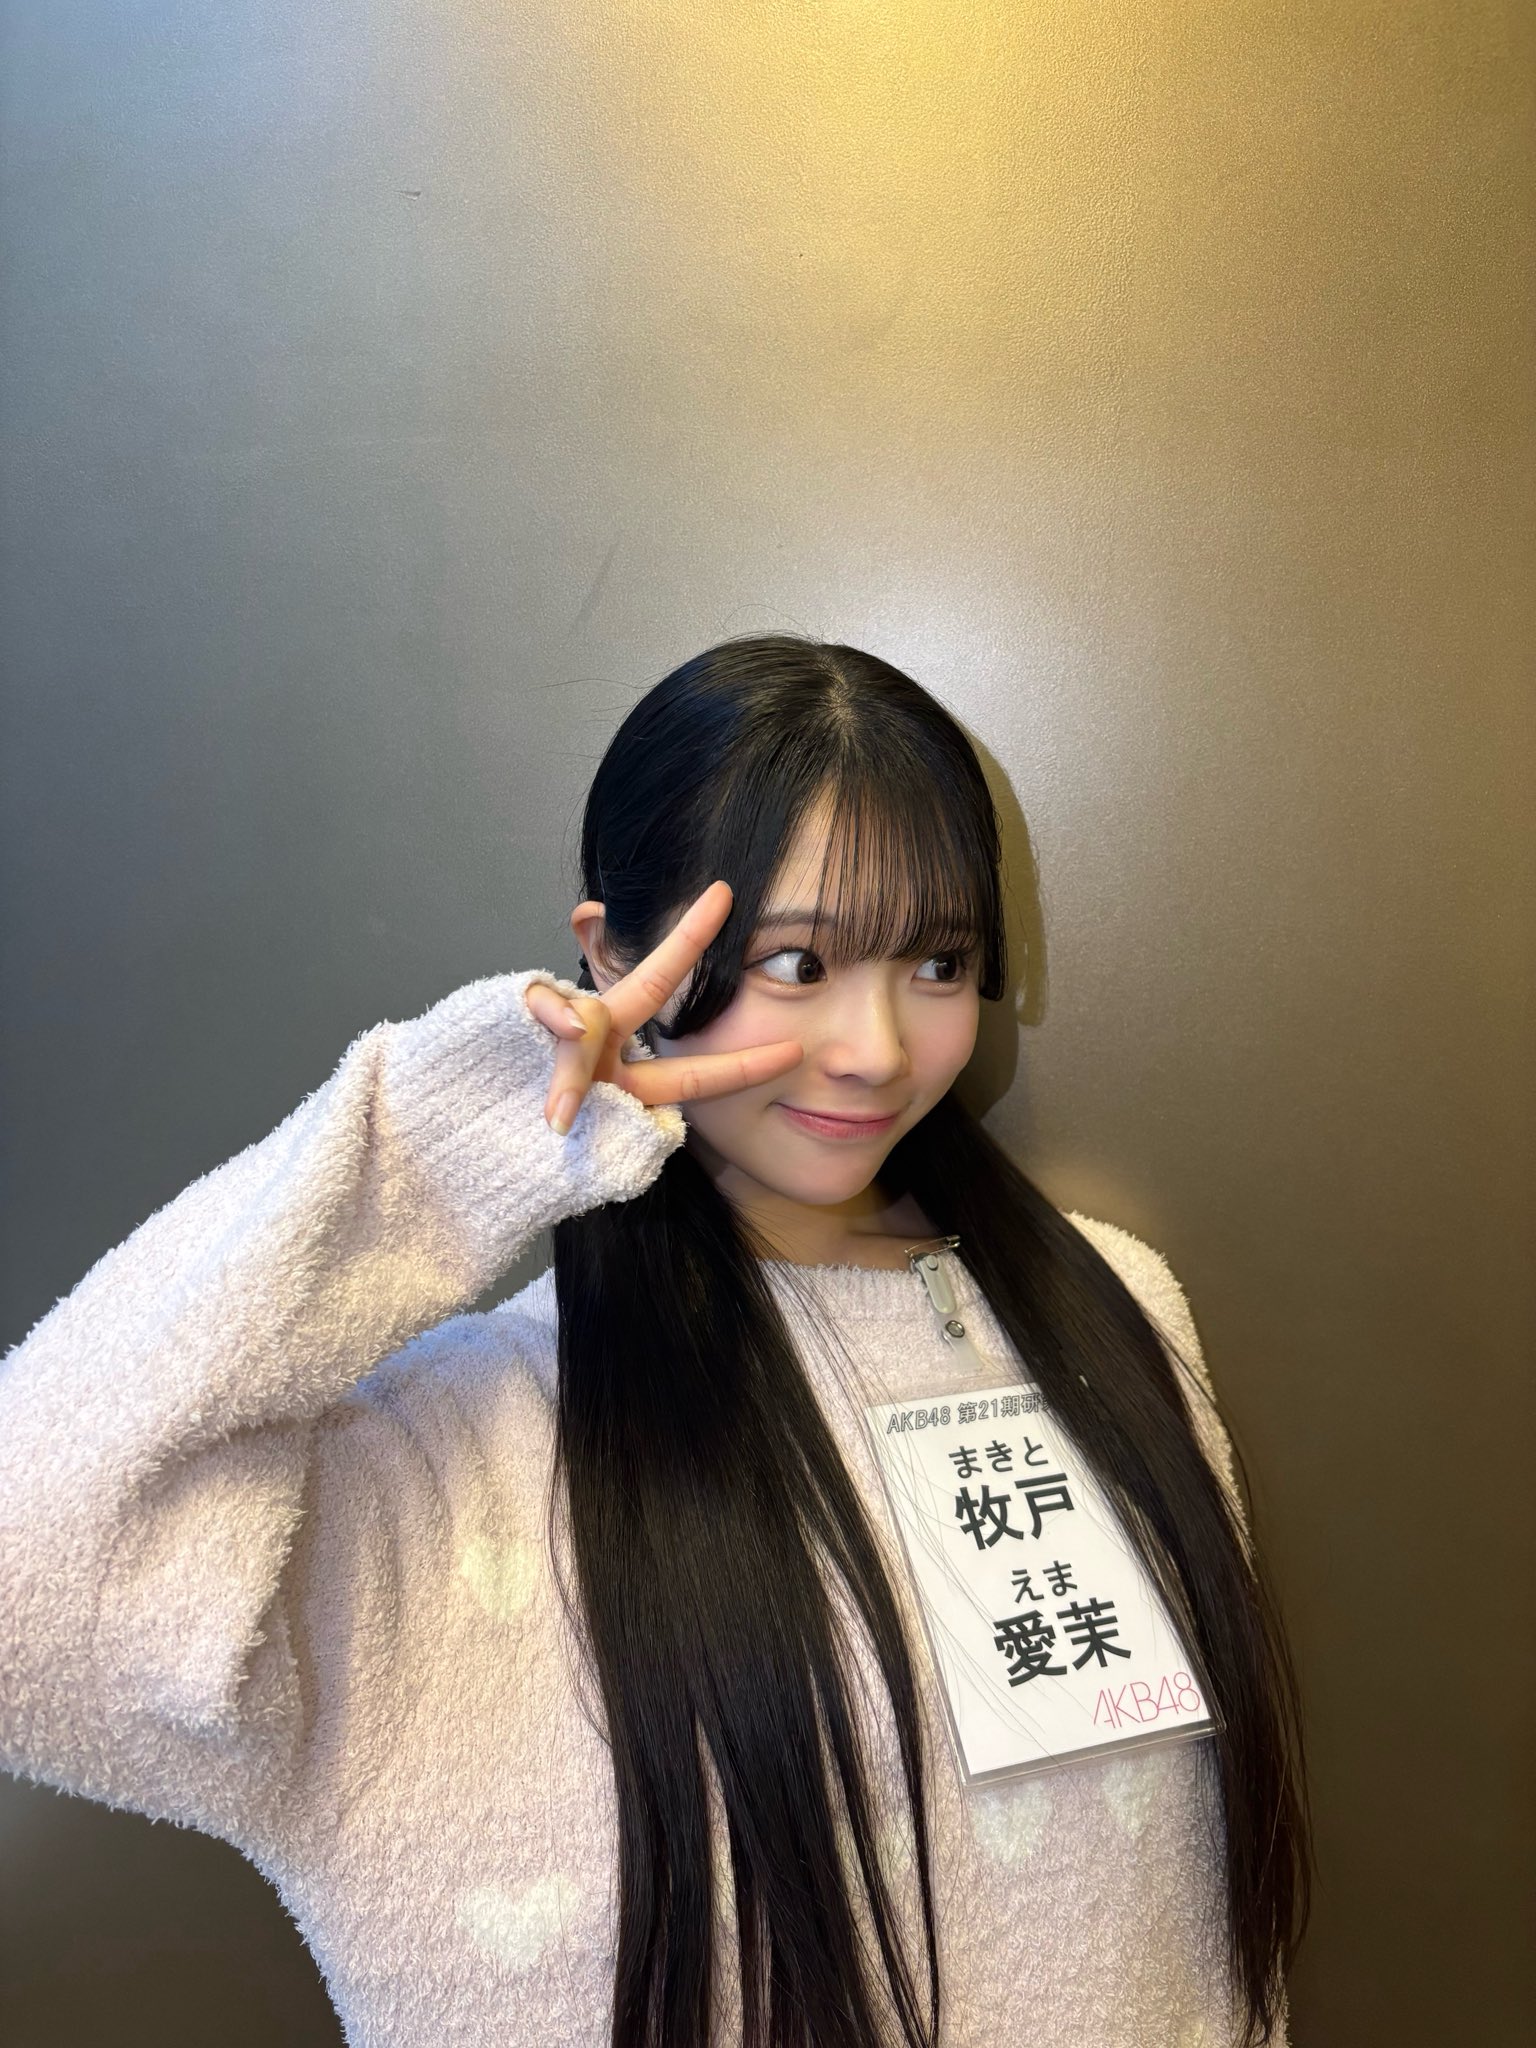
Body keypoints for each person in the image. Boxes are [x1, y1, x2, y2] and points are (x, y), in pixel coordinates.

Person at [0, 634, 1311, 2048]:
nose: (877, 1047)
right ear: (613, 958)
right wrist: (465, 1138)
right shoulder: (466, 1448)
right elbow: (32, 1586)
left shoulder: (1115, 1307)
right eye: (797, 962)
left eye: (939, 961)